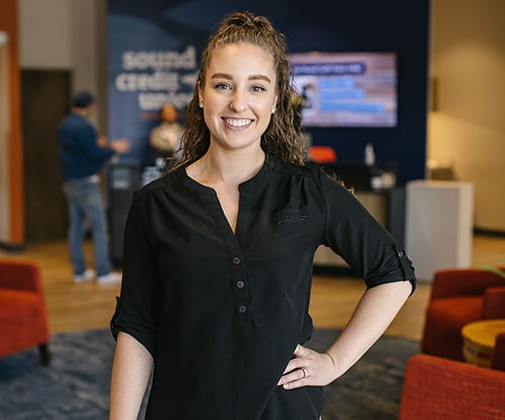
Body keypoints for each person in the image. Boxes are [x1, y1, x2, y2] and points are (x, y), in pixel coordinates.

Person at [109, 11, 415, 420]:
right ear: (201, 93)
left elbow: (394, 274)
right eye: (223, 85)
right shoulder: (155, 203)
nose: (239, 103)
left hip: (285, 409)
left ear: (274, 100)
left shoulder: (308, 189)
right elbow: (137, 326)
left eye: (257, 87)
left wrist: (335, 362)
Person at [57, 90, 129, 285]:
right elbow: (94, 154)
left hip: (70, 182)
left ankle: (79, 271)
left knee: (76, 227)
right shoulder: (85, 127)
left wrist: (98, 145)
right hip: (86, 184)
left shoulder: (64, 124)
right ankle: (103, 272)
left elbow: (82, 149)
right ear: (89, 106)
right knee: (100, 227)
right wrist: (115, 148)